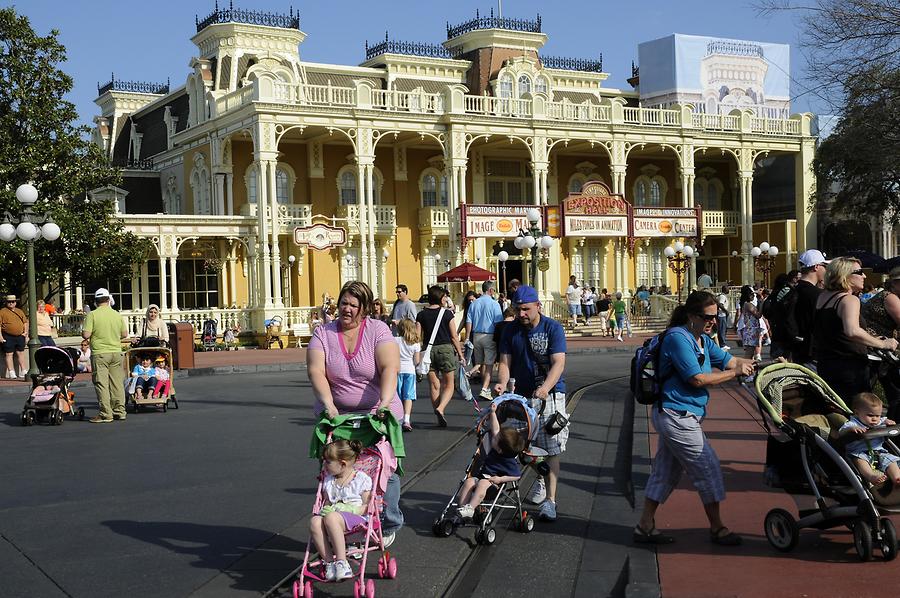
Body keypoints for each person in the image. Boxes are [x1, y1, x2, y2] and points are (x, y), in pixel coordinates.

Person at [633, 291, 756, 546]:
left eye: (716, 316)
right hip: (675, 414)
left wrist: (760, 363)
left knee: (665, 472)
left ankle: (644, 525)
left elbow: (731, 360)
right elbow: (697, 379)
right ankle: (718, 528)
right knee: (707, 466)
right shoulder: (679, 338)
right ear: (691, 316)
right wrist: (734, 373)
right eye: (707, 317)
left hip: (684, 414)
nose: (713, 321)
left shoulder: (702, 339)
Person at [306, 280, 404, 547]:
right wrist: (328, 403)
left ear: (364, 309)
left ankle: (388, 520)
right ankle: (340, 522)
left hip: (376, 413)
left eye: (352, 305)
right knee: (336, 469)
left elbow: (389, 368)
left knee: (382, 469)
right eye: (343, 303)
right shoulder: (323, 334)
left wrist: (383, 403)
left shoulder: (378, 330)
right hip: (338, 417)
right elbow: (316, 370)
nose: (346, 309)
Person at [493, 285, 568, 522]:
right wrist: (502, 383)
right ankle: (541, 474)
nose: (521, 314)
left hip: (551, 396)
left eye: (526, 309)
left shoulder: (552, 328)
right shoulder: (509, 330)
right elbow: (505, 362)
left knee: (551, 447)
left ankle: (551, 501)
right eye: (518, 309)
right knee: (519, 447)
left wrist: (545, 387)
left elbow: (558, 363)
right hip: (521, 397)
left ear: (538, 306)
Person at [814, 257, 898, 399]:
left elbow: (836, 331)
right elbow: (852, 331)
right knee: (856, 413)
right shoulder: (849, 299)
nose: (864, 276)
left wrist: (872, 339)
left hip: (827, 365)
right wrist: (883, 343)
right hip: (850, 368)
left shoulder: (824, 297)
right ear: (844, 274)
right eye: (859, 272)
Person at [309, 439, 373, 582]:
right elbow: (326, 502)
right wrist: (326, 509)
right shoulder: (329, 481)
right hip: (333, 519)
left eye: (328, 462)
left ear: (342, 464)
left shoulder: (361, 479)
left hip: (357, 521)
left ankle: (342, 562)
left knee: (332, 517)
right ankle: (329, 562)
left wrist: (350, 509)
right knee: (314, 521)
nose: (324, 464)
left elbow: (367, 506)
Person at [455, 401, 526, 519]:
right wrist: (493, 413)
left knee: (483, 483)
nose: (494, 436)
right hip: (481, 476)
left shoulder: (508, 461)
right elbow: (496, 428)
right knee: (469, 481)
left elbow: (516, 475)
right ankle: (462, 508)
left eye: (496, 439)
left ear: (500, 450)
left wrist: (500, 479)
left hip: (493, 485)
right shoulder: (497, 447)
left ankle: (471, 508)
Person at [416, 286, 466, 427]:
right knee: (449, 384)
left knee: (434, 385)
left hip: (427, 350)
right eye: (444, 296)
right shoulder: (447, 314)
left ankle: (439, 414)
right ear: (439, 297)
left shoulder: (421, 315)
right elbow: (454, 336)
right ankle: (441, 408)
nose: (446, 299)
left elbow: (417, 337)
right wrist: (461, 355)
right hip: (445, 349)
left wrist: (417, 355)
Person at [82, 288, 129, 423]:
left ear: (96, 301)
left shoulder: (92, 315)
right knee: (117, 383)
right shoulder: (116, 314)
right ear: (108, 299)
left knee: (102, 384)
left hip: (100, 353)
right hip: (116, 352)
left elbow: (86, 334)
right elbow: (125, 334)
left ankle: (106, 414)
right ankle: (120, 411)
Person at [838, 393, 900, 486]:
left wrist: (888, 422)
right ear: (857, 413)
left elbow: (884, 420)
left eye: (878, 415)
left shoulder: (879, 421)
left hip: (879, 452)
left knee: (891, 461)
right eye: (870, 415)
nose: (875, 419)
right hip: (859, 452)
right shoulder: (852, 423)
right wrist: (851, 429)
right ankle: (871, 476)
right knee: (860, 461)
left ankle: (897, 478)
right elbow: (841, 432)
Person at [862, 266, 900, 419]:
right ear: (893, 283)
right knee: (895, 392)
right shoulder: (889, 297)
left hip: (879, 351)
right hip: (876, 350)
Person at [465, 281, 504, 400]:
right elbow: (498, 323)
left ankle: (483, 385)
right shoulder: (494, 304)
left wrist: (467, 337)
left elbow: (469, 321)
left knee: (480, 362)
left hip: (476, 335)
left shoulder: (474, 303)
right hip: (489, 335)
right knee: (489, 364)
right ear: (491, 290)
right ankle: (485, 388)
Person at [792, 249, 828, 364]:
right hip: (813, 351)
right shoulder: (817, 294)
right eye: (824, 266)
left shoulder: (793, 290)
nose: (826, 270)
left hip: (796, 348)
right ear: (816, 267)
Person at [394, 319, 420, 432]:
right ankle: (407, 420)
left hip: (397, 370)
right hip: (410, 370)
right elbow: (417, 361)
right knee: (408, 396)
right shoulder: (415, 343)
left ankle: (397, 418)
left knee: (397, 396)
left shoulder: (395, 340)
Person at [1, 294, 28, 379]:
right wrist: (0, 337)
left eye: (13, 302)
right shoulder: (2, 311)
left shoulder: (19, 311)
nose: (11, 303)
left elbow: (25, 322)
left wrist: (25, 333)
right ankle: (11, 371)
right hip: (8, 336)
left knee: (21, 353)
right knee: (9, 354)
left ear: (15, 302)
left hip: (20, 336)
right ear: (6, 303)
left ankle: (23, 370)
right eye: (9, 302)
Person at [738, 286, 763, 361]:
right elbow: (758, 315)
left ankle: (748, 369)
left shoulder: (746, 304)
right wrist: (761, 302)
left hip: (751, 330)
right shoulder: (748, 304)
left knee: (750, 353)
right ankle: (744, 369)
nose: (753, 296)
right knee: (749, 353)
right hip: (751, 331)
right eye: (752, 294)